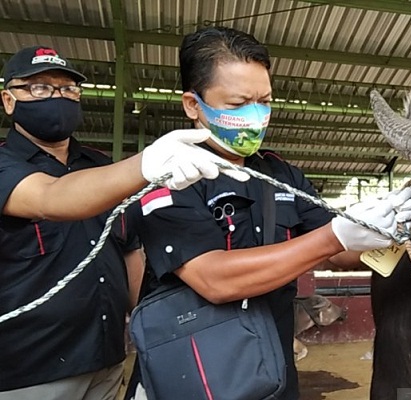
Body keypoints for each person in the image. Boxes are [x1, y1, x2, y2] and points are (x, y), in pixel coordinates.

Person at [127, 27, 411, 400]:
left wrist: (387, 227)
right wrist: (335, 235)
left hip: (271, 371)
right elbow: (214, 279)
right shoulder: (166, 177)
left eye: (264, 101)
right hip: (196, 374)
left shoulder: (282, 175)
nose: (255, 115)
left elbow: (339, 252)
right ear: (193, 104)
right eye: (238, 104)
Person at [0, 46, 248, 400]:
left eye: (68, 89)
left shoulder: (101, 167)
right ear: (9, 100)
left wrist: (154, 334)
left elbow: (130, 251)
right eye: (40, 88)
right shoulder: (6, 166)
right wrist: (145, 164)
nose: (58, 97)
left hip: (106, 359)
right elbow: (51, 197)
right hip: (30, 371)